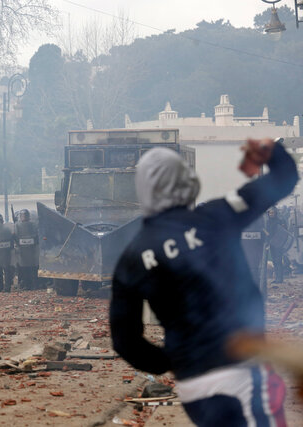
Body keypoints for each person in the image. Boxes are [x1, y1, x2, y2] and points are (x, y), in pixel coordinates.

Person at [110, 138, 297, 427]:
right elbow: (285, 178)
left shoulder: (131, 260)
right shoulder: (216, 215)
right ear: (186, 180)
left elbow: (125, 341)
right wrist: (270, 151)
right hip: (240, 373)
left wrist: (173, 360)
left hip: (193, 389)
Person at [15, 209, 39, 290]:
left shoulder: (33, 225)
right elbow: (15, 236)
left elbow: (36, 236)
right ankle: (26, 285)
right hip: (23, 251)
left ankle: (34, 285)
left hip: (32, 251)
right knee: (24, 269)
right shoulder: (17, 225)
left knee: (33, 269)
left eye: (25, 215)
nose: (24, 217)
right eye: (22, 216)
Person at [0, 213, 15, 292]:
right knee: (4, 269)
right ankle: (6, 287)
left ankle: (1, 287)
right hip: (4, 252)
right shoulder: (7, 229)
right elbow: (11, 240)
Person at [266, 207, 287, 284]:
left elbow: (284, 232)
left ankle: (280, 278)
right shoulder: (268, 222)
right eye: (270, 213)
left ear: (275, 213)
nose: (271, 214)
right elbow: (267, 232)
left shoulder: (280, 221)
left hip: (278, 243)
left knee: (278, 261)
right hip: (272, 243)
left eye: (273, 213)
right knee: (274, 261)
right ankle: (277, 278)